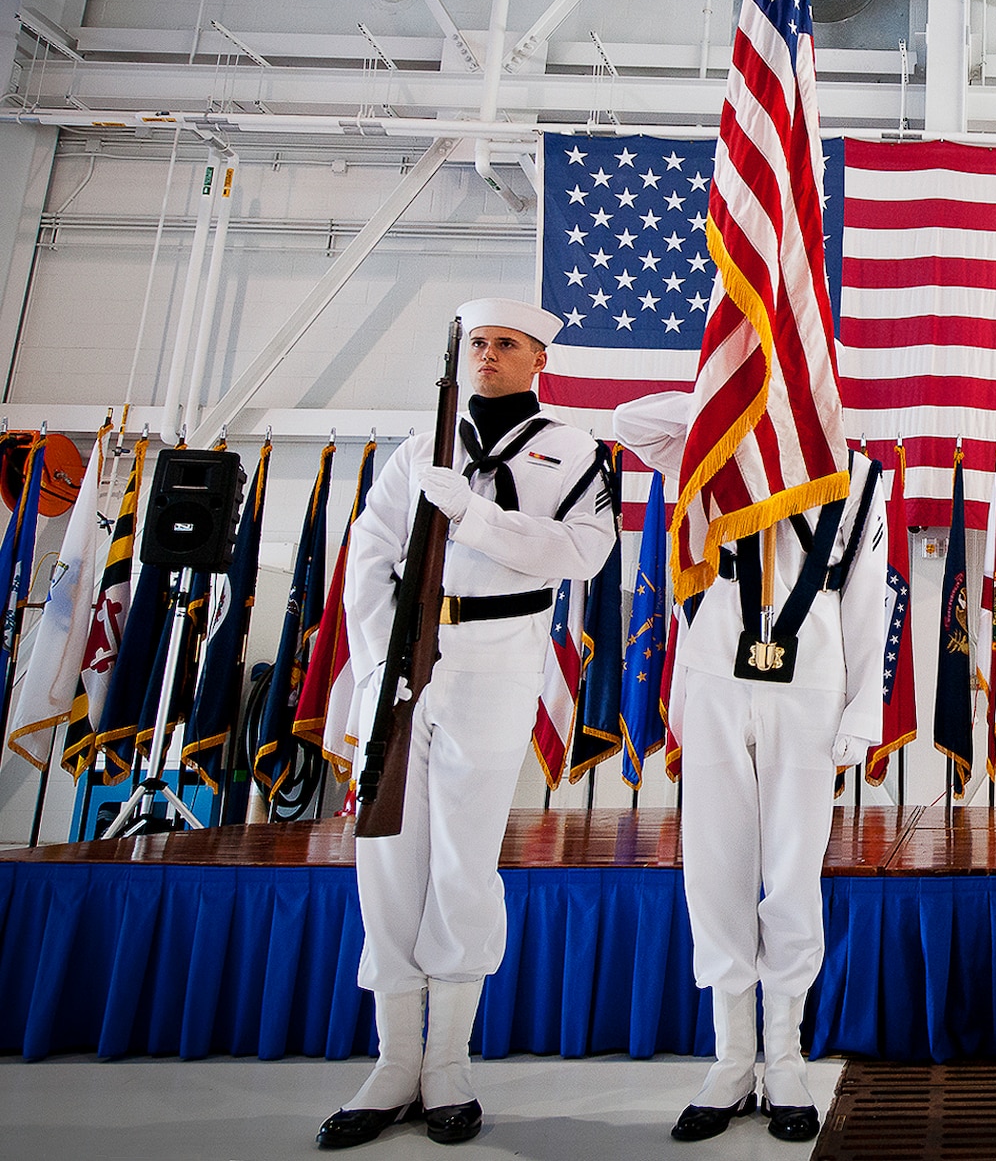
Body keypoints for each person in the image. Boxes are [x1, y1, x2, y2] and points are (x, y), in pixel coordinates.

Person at [317, 299, 617, 1150]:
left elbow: (581, 552)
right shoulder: (420, 449)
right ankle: (390, 1064)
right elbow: (369, 553)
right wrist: (383, 659)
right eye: (477, 342)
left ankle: (445, 1063)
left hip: (496, 654)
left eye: (505, 344)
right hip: (405, 658)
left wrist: (477, 517)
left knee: (463, 855)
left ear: (537, 360)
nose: (488, 354)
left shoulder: (575, 450)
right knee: (385, 855)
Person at [613, 391, 886, 1145]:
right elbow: (629, 424)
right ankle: (733, 1056)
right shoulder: (716, 447)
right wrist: (737, 387)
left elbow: (868, 594)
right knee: (716, 866)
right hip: (717, 676)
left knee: (794, 869)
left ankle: (788, 1054)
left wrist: (865, 708)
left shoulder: (860, 475)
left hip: (810, 682)